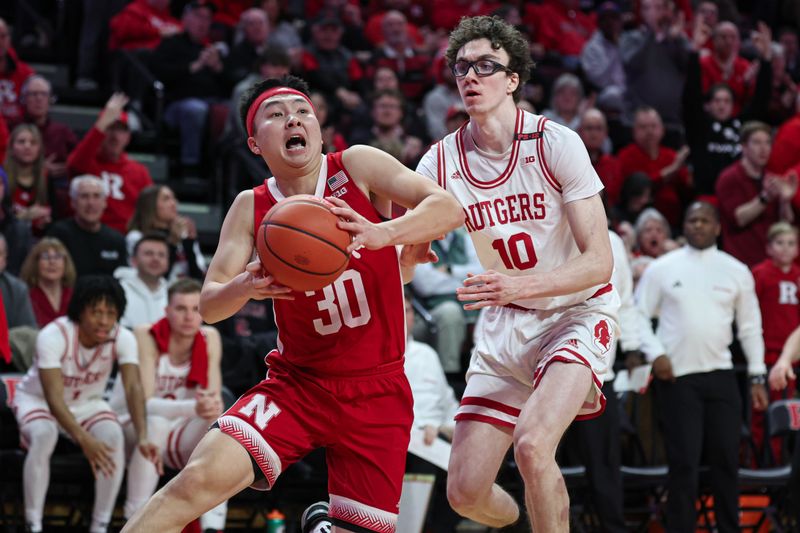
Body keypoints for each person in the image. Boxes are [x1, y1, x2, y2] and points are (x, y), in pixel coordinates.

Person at [121, 75, 462, 533]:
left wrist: (388, 233)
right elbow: (210, 306)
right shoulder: (251, 206)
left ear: (319, 131)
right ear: (255, 143)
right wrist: (244, 285)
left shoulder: (358, 165)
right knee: (197, 481)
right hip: (299, 385)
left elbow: (448, 207)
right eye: (276, 115)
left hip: (377, 391)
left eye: (302, 111)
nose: (292, 120)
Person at [414, 16, 618, 531]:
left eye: (486, 66)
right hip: (505, 326)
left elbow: (599, 262)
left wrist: (516, 285)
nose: (470, 77)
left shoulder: (556, 143)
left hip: (575, 312)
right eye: (462, 68)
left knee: (531, 445)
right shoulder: (439, 163)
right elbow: (405, 255)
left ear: (513, 79)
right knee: (464, 492)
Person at [635, 201, 769, 532]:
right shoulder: (662, 268)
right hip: (678, 378)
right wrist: (655, 353)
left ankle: (729, 528)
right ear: (684, 226)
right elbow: (637, 313)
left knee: (726, 461)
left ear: (718, 227)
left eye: (705, 220)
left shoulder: (736, 270)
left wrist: (756, 373)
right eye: (692, 219)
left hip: (722, 376)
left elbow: (750, 327)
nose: (698, 225)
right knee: (683, 464)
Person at [11, 275, 159, 533]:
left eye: (110, 313)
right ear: (80, 311)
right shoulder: (53, 335)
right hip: (40, 401)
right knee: (44, 435)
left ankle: (99, 526)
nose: (104, 320)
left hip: (87, 403)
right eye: (96, 312)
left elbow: (134, 387)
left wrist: (143, 435)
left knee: (113, 437)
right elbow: (54, 398)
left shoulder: (123, 337)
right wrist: (84, 439)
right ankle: (33, 523)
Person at [110, 278, 226, 530]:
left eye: (196, 309)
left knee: (221, 426)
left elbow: (212, 400)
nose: (188, 316)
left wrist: (207, 407)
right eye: (180, 308)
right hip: (130, 426)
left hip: (175, 432)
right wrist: (192, 408)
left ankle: (212, 525)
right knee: (155, 423)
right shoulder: (146, 334)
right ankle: (135, 517)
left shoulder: (210, 337)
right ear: (166, 311)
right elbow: (145, 404)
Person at [66, 93, 154, 234]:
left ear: (128, 137)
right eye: (110, 128)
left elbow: (150, 207)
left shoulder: (139, 171)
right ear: (101, 131)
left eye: (121, 130)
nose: (115, 136)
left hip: (127, 238)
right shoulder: (86, 163)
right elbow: (74, 164)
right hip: (89, 233)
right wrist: (102, 122)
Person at [716, 121, 798, 268]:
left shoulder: (772, 178)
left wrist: (785, 201)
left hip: (768, 263)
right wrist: (765, 197)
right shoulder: (729, 177)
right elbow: (738, 218)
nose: (763, 149)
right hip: (739, 262)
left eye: (767, 143)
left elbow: (785, 224)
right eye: (757, 143)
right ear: (744, 147)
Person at [751, 222, 800, 460]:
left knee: (790, 415)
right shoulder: (760, 273)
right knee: (763, 413)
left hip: (793, 357)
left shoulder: (798, 274)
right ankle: (762, 464)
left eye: (791, 243)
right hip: (767, 356)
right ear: (769, 247)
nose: (786, 249)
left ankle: (784, 464)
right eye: (780, 243)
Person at [48, 175, 128, 277]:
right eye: (84, 196)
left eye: (96, 196)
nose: (91, 203)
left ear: (105, 203)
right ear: (73, 202)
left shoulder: (116, 240)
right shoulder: (59, 234)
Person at [126, 184, 205, 281]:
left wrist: (188, 243)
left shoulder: (184, 233)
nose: (174, 203)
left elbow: (198, 278)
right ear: (150, 205)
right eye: (166, 199)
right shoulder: (137, 237)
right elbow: (152, 279)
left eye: (174, 198)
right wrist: (173, 243)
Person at [115, 233, 169, 329]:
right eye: (149, 253)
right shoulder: (118, 291)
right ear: (133, 260)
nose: (156, 259)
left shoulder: (174, 293)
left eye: (161, 255)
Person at [19, 237, 76, 328]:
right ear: (35, 263)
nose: (52, 262)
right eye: (45, 257)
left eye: (57, 257)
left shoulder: (74, 296)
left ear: (65, 262)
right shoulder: (26, 297)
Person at [5, 123, 50, 233]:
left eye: (33, 142)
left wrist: (47, 221)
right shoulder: (2, 179)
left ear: (39, 149)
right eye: (21, 142)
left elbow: (55, 217)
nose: (27, 146)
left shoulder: (47, 178)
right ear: (11, 148)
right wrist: (24, 216)